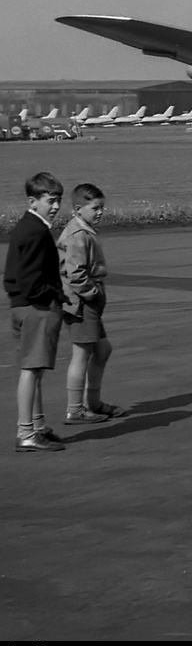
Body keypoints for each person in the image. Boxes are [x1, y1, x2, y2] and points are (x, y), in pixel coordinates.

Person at [3, 172, 66, 452]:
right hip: (34, 308)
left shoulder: (30, 226)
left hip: (26, 306)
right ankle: (26, 432)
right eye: (50, 201)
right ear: (33, 200)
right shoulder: (34, 230)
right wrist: (53, 296)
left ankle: (37, 426)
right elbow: (29, 280)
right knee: (31, 369)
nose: (55, 206)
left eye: (58, 201)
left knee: (36, 368)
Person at [58, 182, 125, 423]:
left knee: (103, 349)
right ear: (78, 209)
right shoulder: (77, 235)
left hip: (90, 302)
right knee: (82, 353)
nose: (100, 212)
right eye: (95, 208)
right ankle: (75, 409)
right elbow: (74, 273)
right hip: (80, 303)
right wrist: (92, 293)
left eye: (101, 207)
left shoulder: (85, 231)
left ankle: (92, 402)